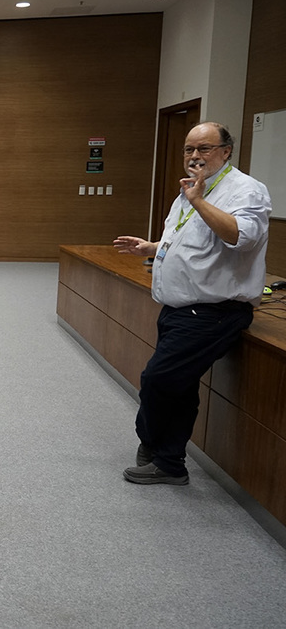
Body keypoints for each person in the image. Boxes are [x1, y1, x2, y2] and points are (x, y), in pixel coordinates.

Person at [113, 122, 270, 486]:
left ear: (226, 151)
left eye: (204, 148)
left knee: (158, 379)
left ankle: (153, 446)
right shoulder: (190, 191)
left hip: (213, 312)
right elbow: (188, 239)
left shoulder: (245, 190)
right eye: (188, 149)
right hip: (178, 308)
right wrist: (152, 248)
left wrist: (198, 200)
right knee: (179, 386)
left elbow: (239, 237)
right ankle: (169, 461)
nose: (194, 157)